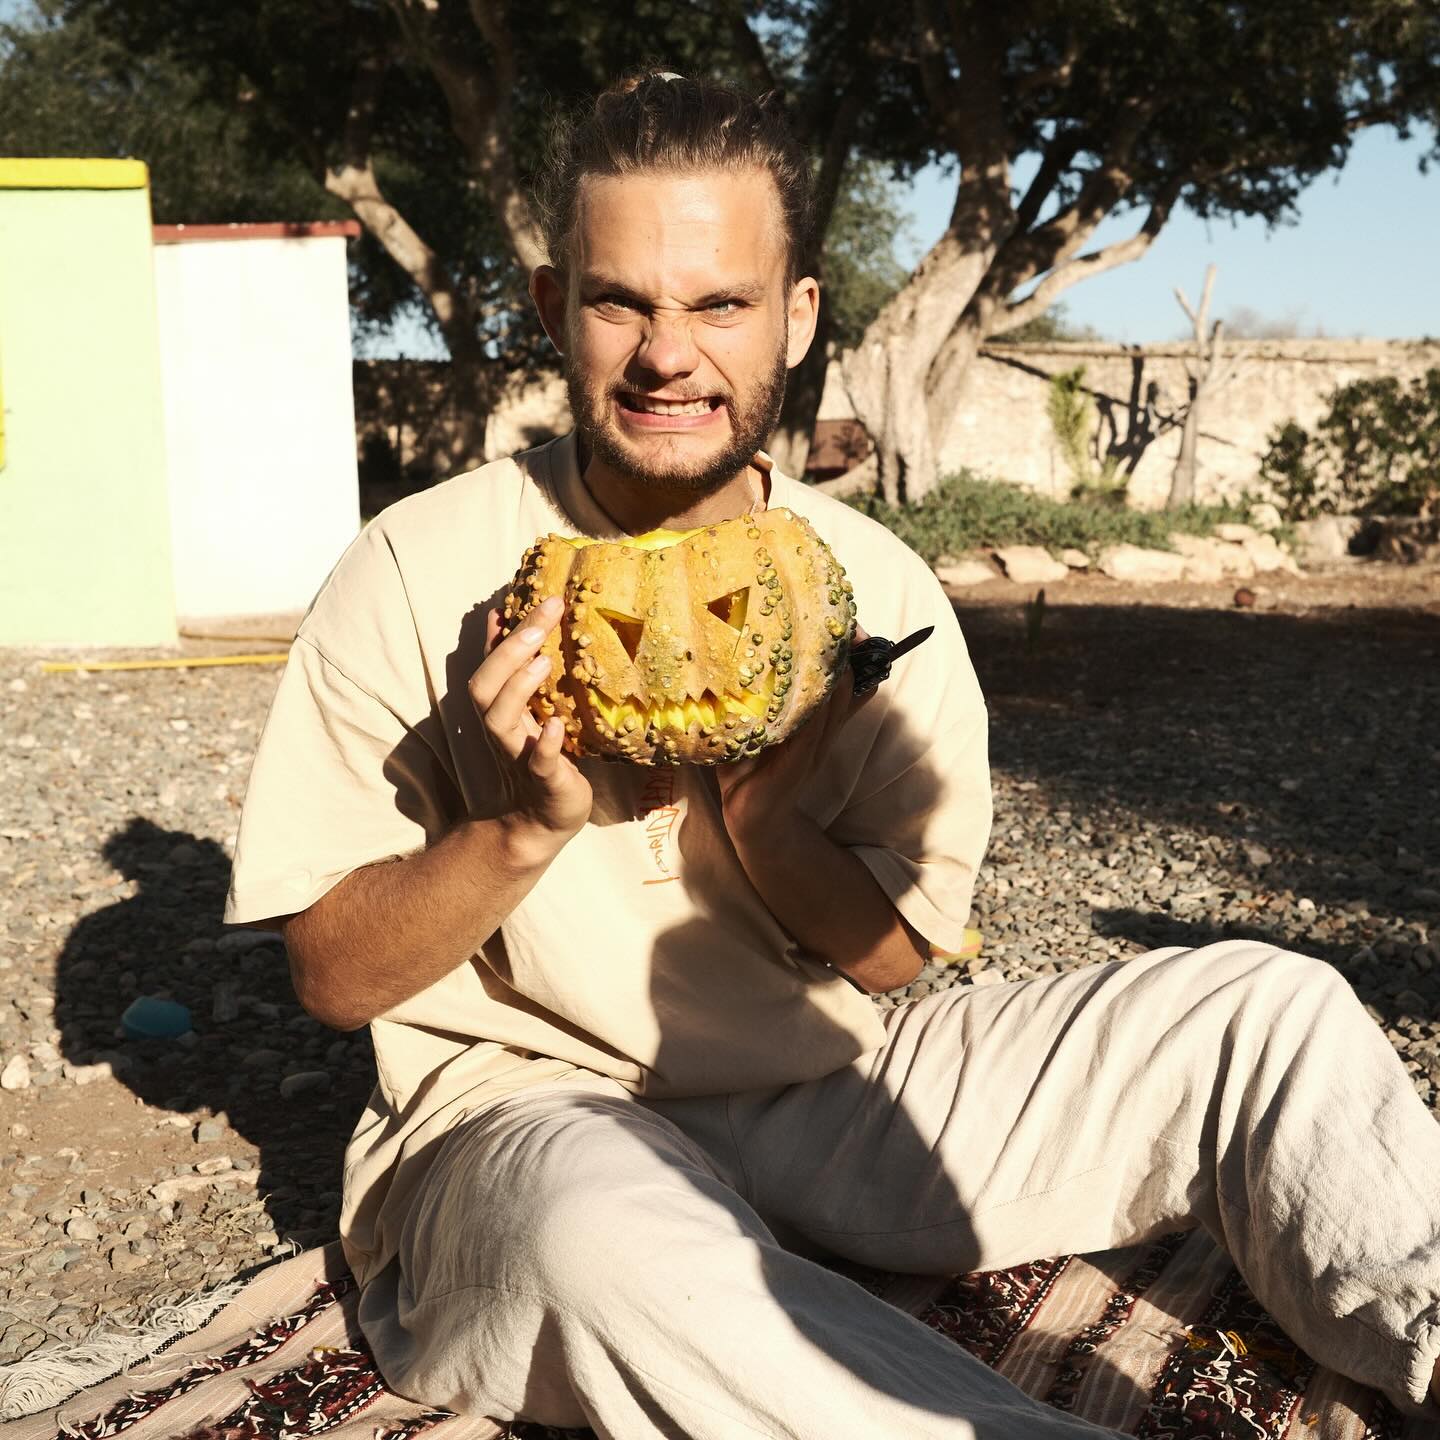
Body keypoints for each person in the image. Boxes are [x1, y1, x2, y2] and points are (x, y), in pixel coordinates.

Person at [225, 72, 1440, 1438]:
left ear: (799, 316)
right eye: (621, 299)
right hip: (528, 1113)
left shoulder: (869, 584)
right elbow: (331, 975)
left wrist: (771, 825)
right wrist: (513, 831)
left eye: (720, 304)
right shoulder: (411, 568)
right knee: (608, 1248)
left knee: (1270, 1014)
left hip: (831, 1085)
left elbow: (898, 963)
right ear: (550, 306)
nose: (667, 355)